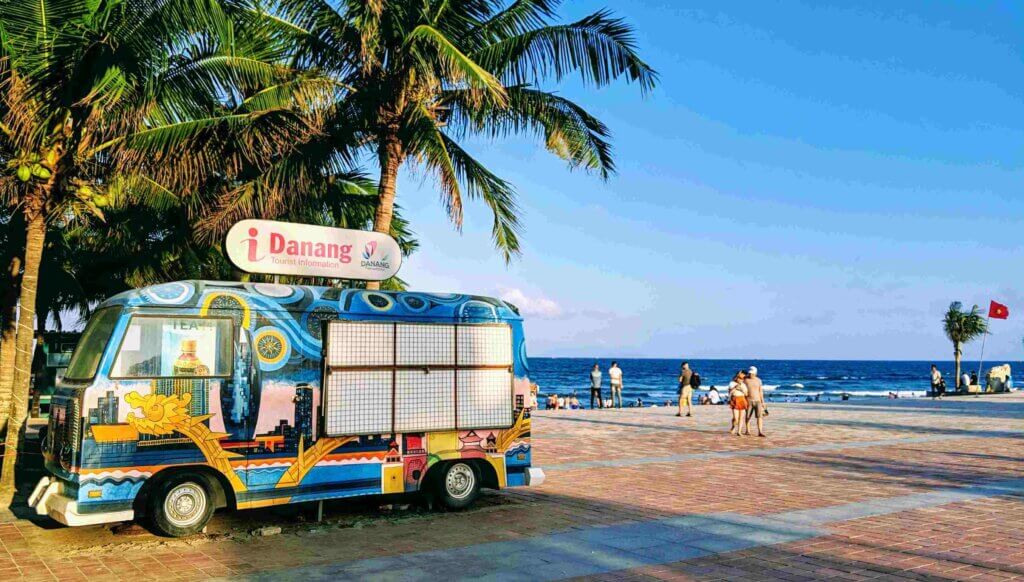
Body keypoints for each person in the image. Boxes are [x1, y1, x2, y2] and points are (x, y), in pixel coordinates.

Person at [744, 366, 767, 437]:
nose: (751, 374)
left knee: (759, 417)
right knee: (748, 416)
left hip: (758, 401)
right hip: (748, 400)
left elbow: (760, 391)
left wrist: (763, 402)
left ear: (755, 373)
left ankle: (760, 431)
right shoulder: (745, 380)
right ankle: (748, 430)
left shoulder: (759, 380)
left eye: (752, 373)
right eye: (750, 373)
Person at [728, 371, 749, 436]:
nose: (740, 380)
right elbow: (730, 392)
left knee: (741, 417)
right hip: (735, 399)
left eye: (742, 379)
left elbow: (746, 394)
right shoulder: (732, 383)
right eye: (739, 378)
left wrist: (741, 389)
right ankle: (733, 427)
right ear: (736, 378)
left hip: (742, 400)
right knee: (736, 418)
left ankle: (739, 432)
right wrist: (735, 387)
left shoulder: (744, 385)